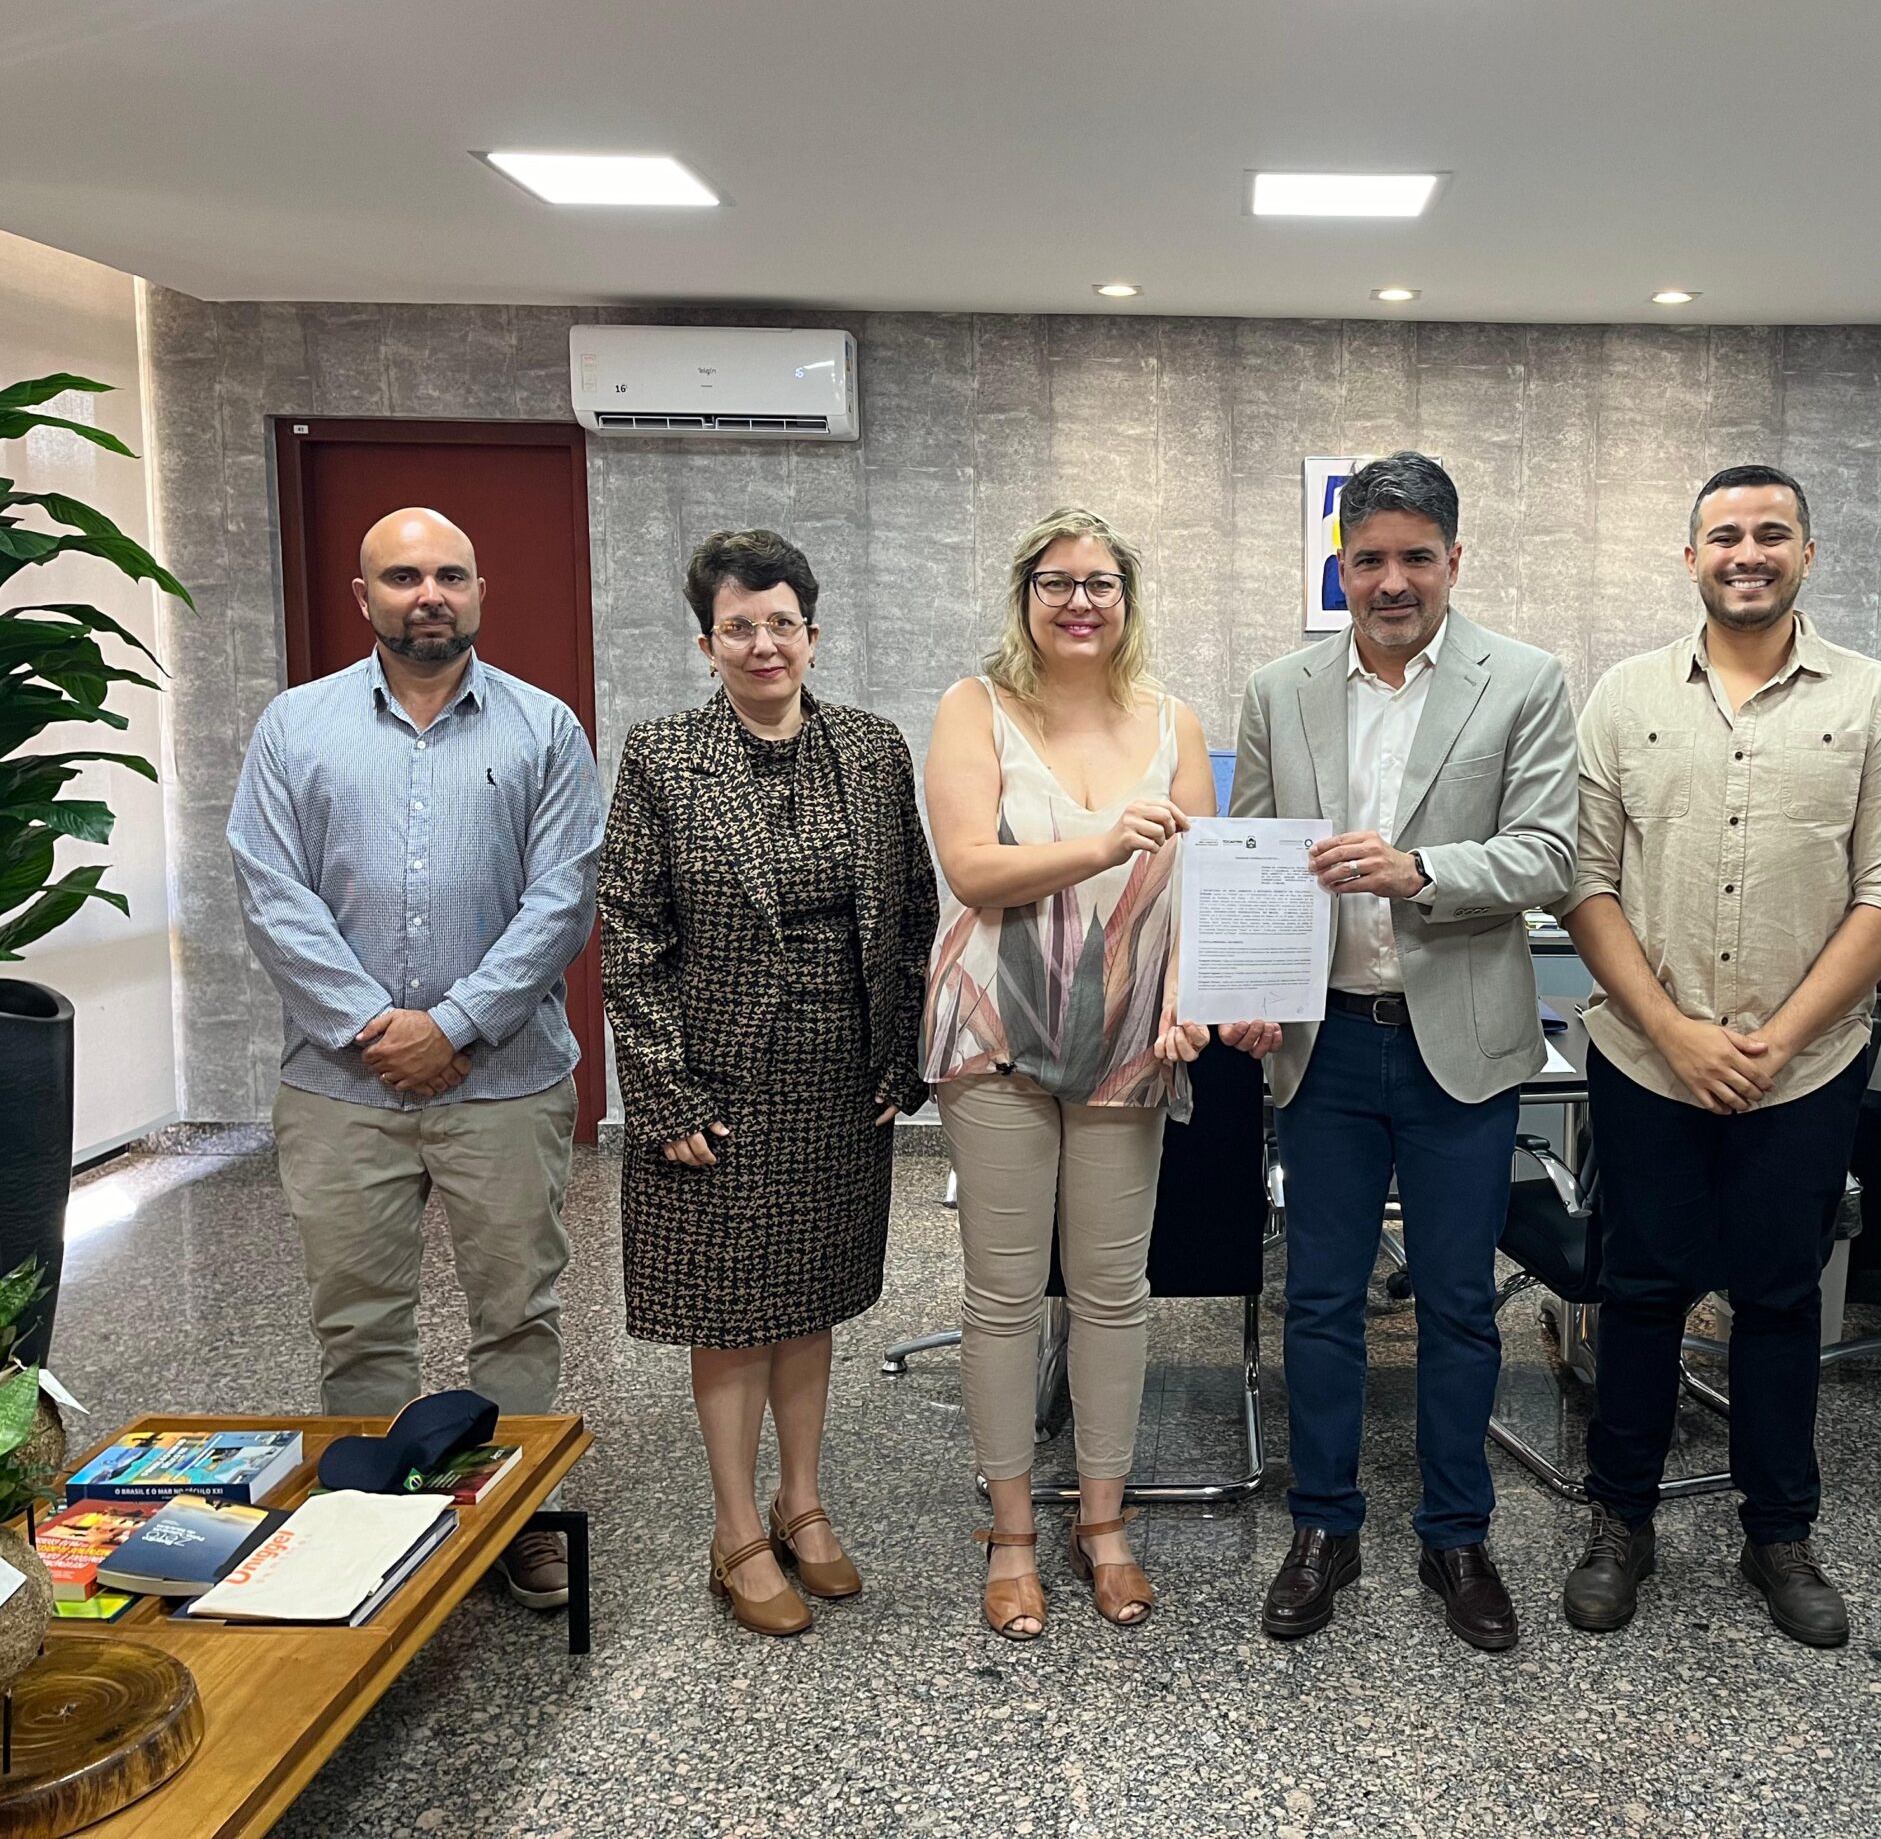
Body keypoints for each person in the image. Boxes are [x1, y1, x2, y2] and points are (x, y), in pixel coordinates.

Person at [1559, 465, 1881, 1643]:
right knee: (1639, 1293)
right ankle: (1619, 1521)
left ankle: (1778, 1532)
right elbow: (1585, 881)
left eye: (1772, 533)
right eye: (1723, 534)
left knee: (1780, 1300)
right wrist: (1674, 1032)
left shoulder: (1874, 700)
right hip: (1646, 1059)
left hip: (1804, 1068)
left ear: (1806, 555)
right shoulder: (1624, 697)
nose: (1747, 552)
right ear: (1690, 558)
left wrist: (1780, 1038)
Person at [1231, 450, 1577, 1654]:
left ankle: (1456, 1536)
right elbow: (1255, 854)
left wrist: (1418, 870)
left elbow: (1550, 853)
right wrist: (1246, 987)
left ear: (1453, 561)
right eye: (1368, 558)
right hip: (1323, 1044)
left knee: (1460, 1304)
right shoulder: (1279, 689)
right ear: (1340, 565)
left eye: (1415, 558)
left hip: (1458, 1048)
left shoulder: (1521, 680)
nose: (1391, 581)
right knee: (1320, 1300)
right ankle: (1323, 1526)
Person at [227, 505, 602, 1611]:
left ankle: (515, 1516)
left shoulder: (544, 730)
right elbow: (270, 892)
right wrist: (372, 1026)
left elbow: (564, 897)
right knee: (358, 1321)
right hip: (340, 1086)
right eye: (402, 577)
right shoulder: (295, 727)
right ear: (365, 597)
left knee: (517, 1311)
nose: (427, 594)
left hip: (506, 1080)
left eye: (448, 575)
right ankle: (370, 1525)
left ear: (480, 591)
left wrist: (456, 1024)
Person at [598, 529, 938, 1639]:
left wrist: (901, 1054)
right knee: (731, 1307)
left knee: (811, 1298)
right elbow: (630, 932)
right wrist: (663, 1092)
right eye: (737, 627)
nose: (762, 645)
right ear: (707, 644)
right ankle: (737, 1527)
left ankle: (803, 1499)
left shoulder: (871, 748)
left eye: (780, 623)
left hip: (842, 1074)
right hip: (717, 1081)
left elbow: (913, 910)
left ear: (813, 634)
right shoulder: (664, 757)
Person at [919, 507, 1215, 1641]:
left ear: (1127, 600)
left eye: (1100, 583)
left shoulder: (1175, 722)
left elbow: (1204, 886)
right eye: (1056, 583)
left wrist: (1190, 994)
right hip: (997, 1022)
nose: (1079, 601)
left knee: (1111, 1291)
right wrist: (1100, 841)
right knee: (1002, 1296)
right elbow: (971, 868)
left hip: (1129, 1030)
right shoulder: (976, 706)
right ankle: (1010, 1535)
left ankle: (1104, 1524)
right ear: (1026, 597)